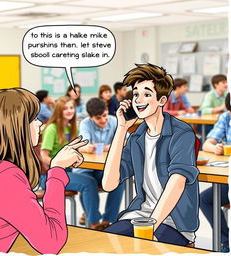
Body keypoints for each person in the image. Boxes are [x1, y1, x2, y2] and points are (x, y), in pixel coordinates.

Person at [0, 88, 88, 254]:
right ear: (16, 125)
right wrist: (56, 170)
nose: (40, 123)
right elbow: (52, 242)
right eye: (33, 118)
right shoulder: (4, 178)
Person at [102, 63, 199, 247]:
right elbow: (108, 184)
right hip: (138, 216)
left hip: (174, 222)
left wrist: (150, 228)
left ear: (162, 101)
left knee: (139, 248)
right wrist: (122, 129)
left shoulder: (181, 133)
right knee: (104, 241)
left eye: (147, 94)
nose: (139, 100)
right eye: (136, 94)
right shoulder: (137, 137)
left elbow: (177, 184)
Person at [40, 96, 107, 230]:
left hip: (68, 171)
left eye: (71, 108)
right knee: (89, 183)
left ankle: (89, 216)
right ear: (59, 110)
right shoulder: (52, 129)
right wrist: (57, 165)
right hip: (50, 175)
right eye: (65, 109)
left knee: (92, 177)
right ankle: (94, 222)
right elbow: (43, 156)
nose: (70, 111)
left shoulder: (72, 128)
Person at [74, 97, 124, 229]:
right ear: (90, 117)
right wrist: (86, 147)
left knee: (119, 179)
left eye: (104, 115)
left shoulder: (114, 121)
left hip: (102, 169)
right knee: (87, 182)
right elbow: (83, 144)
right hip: (86, 169)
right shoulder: (85, 123)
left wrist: (109, 147)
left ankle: (108, 219)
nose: (103, 120)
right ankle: (93, 220)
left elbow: (126, 141)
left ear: (107, 110)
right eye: (98, 118)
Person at [200, 93, 230, 253]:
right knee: (205, 199)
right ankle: (226, 242)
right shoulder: (225, 117)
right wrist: (215, 148)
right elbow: (207, 144)